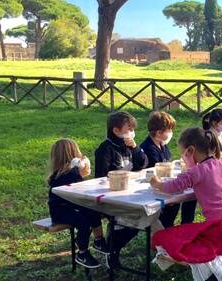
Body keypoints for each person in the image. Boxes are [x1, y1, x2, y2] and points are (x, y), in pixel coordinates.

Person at [150, 128, 222, 238]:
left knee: (182, 236)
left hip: (220, 225)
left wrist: (157, 184)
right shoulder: (219, 163)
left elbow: (175, 186)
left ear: (190, 151)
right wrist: (192, 166)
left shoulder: (196, 172)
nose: (182, 157)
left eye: (183, 153)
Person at [94, 111, 148, 267]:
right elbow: (101, 177)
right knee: (131, 221)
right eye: (128, 129)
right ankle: (112, 249)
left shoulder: (129, 146)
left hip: (130, 193)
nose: (132, 132)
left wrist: (136, 148)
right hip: (112, 196)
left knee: (142, 220)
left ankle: (113, 247)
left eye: (133, 129)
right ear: (116, 131)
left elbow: (143, 164)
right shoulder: (105, 149)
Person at [47, 139, 109, 268]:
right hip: (60, 211)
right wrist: (82, 169)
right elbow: (74, 184)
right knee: (83, 223)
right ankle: (82, 253)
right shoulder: (66, 173)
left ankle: (99, 240)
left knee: (93, 211)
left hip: (73, 205)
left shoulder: (70, 171)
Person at [139, 111, 195, 227]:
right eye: (169, 130)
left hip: (163, 183)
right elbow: (150, 172)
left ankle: (181, 226)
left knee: (188, 197)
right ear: (159, 133)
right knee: (173, 202)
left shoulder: (162, 145)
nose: (171, 133)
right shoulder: (148, 148)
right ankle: (164, 228)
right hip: (151, 187)